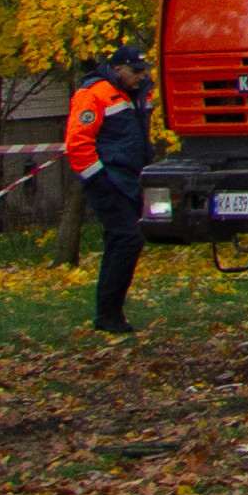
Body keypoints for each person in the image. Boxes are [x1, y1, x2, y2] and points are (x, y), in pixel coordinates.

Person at [63, 50, 156, 335]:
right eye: (136, 71)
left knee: (124, 241)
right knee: (127, 239)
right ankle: (108, 314)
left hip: (130, 178)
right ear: (117, 69)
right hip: (108, 179)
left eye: (144, 71)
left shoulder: (137, 93)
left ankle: (109, 313)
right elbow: (78, 143)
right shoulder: (93, 93)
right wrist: (99, 180)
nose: (142, 76)